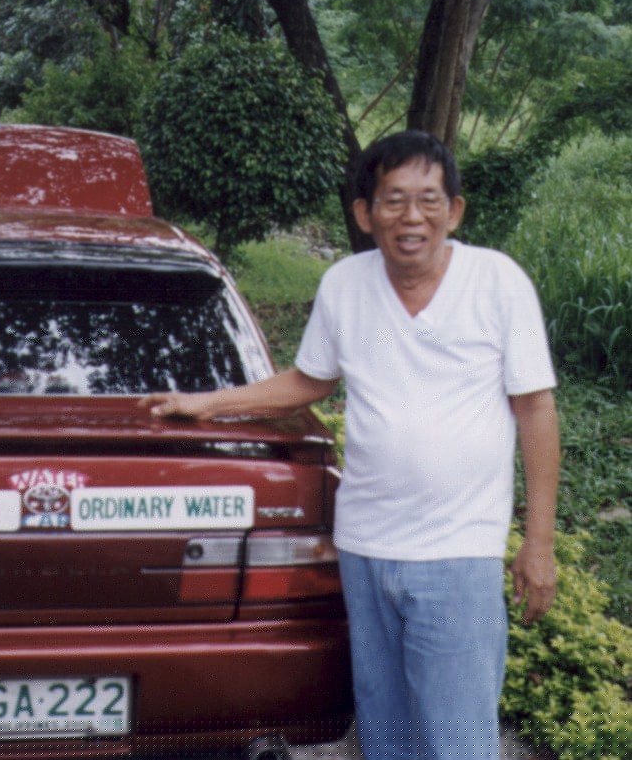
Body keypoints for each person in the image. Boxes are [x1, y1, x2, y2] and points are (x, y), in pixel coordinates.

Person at [141, 130, 560, 760]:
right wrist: (207, 402)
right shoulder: (344, 284)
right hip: (366, 550)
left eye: (428, 199)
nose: (411, 217)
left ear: (455, 209)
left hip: (459, 555)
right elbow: (309, 380)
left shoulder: (498, 283)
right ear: (364, 213)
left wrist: (539, 542)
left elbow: (535, 407)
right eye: (393, 200)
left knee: (459, 742)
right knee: (386, 737)